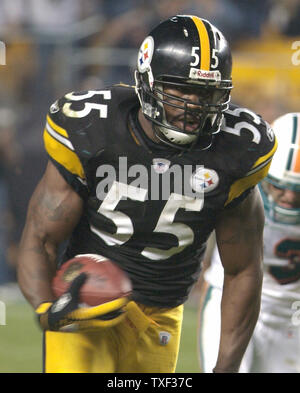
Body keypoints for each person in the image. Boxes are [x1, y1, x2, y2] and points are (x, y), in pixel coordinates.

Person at [17, 15, 277, 373]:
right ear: (147, 81)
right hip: (87, 303)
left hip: (161, 313)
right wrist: (47, 308)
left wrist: (227, 367)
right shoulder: (93, 127)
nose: (193, 106)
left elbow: (243, 269)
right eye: (179, 90)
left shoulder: (237, 150)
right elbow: (40, 237)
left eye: (205, 93)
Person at [198, 112, 300, 373]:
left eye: (298, 190)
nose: (288, 197)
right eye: (279, 186)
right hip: (232, 300)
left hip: (294, 314)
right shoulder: (241, 188)